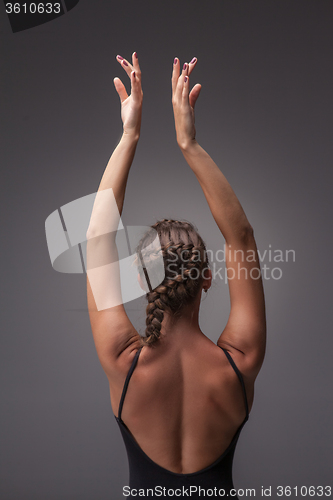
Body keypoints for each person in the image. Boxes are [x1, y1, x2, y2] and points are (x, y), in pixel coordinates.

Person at [86, 52, 266, 499]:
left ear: (140, 279)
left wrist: (129, 134)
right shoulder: (238, 364)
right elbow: (240, 237)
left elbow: (96, 238)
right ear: (207, 278)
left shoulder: (123, 363)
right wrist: (190, 144)